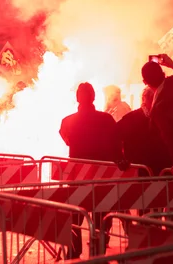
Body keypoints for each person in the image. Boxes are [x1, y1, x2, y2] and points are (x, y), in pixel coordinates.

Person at [59, 83, 120, 259]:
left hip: (77, 175)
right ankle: (98, 250)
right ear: (94, 97)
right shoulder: (106, 119)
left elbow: (67, 140)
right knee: (101, 216)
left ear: (77, 98)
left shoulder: (67, 121)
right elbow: (115, 144)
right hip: (102, 176)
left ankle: (74, 249)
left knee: (76, 216)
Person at [116, 87, 172, 177]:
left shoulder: (167, 119)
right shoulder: (131, 119)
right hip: (140, 172)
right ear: (144, 99)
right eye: (152, 98)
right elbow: (114, 137)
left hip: (164, 171)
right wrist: (121, 159)